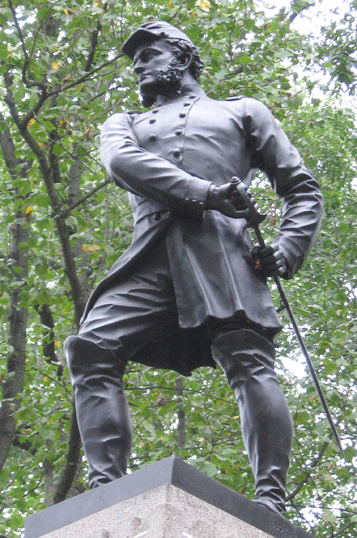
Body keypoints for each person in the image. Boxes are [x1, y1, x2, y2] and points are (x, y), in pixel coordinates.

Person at [64, 21, 323, 516]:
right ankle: (102, 493)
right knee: (92, 348)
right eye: (134, 58)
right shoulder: (124, 124)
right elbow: (122, 162)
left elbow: (302, 188)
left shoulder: (242, 111)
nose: (139, 64)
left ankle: (270, 499)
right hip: (149, 257)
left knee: (248, 358)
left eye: (150, 53)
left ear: (182, 57)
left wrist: (287, 249)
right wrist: (206, 193)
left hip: (222, 256)